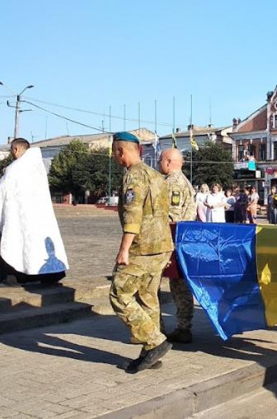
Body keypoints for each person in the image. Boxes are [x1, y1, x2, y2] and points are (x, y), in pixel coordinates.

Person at [109, 132, 173, 373]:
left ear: (120, 151)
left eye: (115, 152)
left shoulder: (133, 177)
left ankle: (155, 341)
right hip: (162, 245)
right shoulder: (156, 176)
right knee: (148, 296)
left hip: (142, 247)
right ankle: (150, 352)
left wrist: (124, 250)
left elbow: (133, 215)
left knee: (119, 293)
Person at [0, 138, 68, 286]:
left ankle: (13, 278)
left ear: (15, 149)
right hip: (40, 217)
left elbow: (3, 191)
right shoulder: (37, 168)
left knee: (16, 244)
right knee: (39, 247)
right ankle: (48, 276)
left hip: (19, 216)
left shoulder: (15, 168)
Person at [157, 148, 198, 344]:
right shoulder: (186, 183)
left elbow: (170, 216)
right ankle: (183, 327)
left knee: (153, 285)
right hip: (182, 242)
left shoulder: (172, 184)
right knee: (180, 287)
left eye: (160, 160)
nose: (158, 163)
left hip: (169, 241)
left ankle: (156, 332)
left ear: (167, 162)